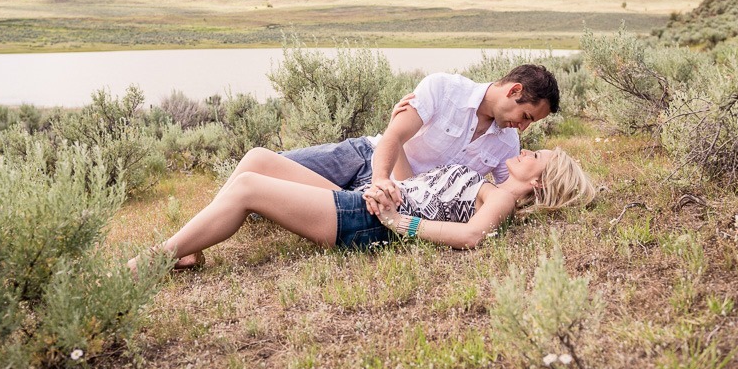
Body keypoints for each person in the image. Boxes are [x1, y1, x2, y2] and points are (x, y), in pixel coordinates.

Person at [129, 143, 595, 271]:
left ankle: (155, 259)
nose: (529, 151)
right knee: (257, 159)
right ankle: (192, 246)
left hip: (366, 224)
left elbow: (471, 236)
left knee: (248, 185)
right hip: (366, 204)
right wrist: (387, 180)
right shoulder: (488, 183)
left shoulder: (499, 200)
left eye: (539, 158)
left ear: (537, 183)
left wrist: (398, 222)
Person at [282, 64, 559, 215]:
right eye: (526, 116)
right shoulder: (444, 88)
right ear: (515, 90)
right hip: (366, 157)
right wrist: (380, 179)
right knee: (271, 165)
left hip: (403, 198)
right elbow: (395, 136)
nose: (522, 127)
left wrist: (558, 189)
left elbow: (508, 192)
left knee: (281, 199)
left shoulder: (508, 142)